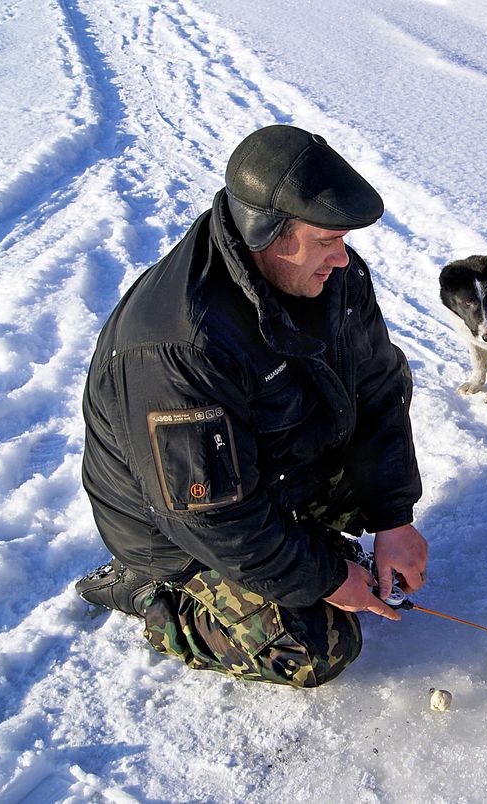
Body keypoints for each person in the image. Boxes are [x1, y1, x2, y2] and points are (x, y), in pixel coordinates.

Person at [76, 124, 428, 686]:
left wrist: (394, 518)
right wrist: (326, 578)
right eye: (326, 241)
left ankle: (300, 538)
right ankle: (151, 594)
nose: (343, 258)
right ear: (268, 232)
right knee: (316, 646)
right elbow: (210, 515)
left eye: (343, 240)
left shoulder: (333, 278)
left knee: (364, 456)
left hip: (267, 467)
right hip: (178, 529)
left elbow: (380, 388)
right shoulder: (180, 343)